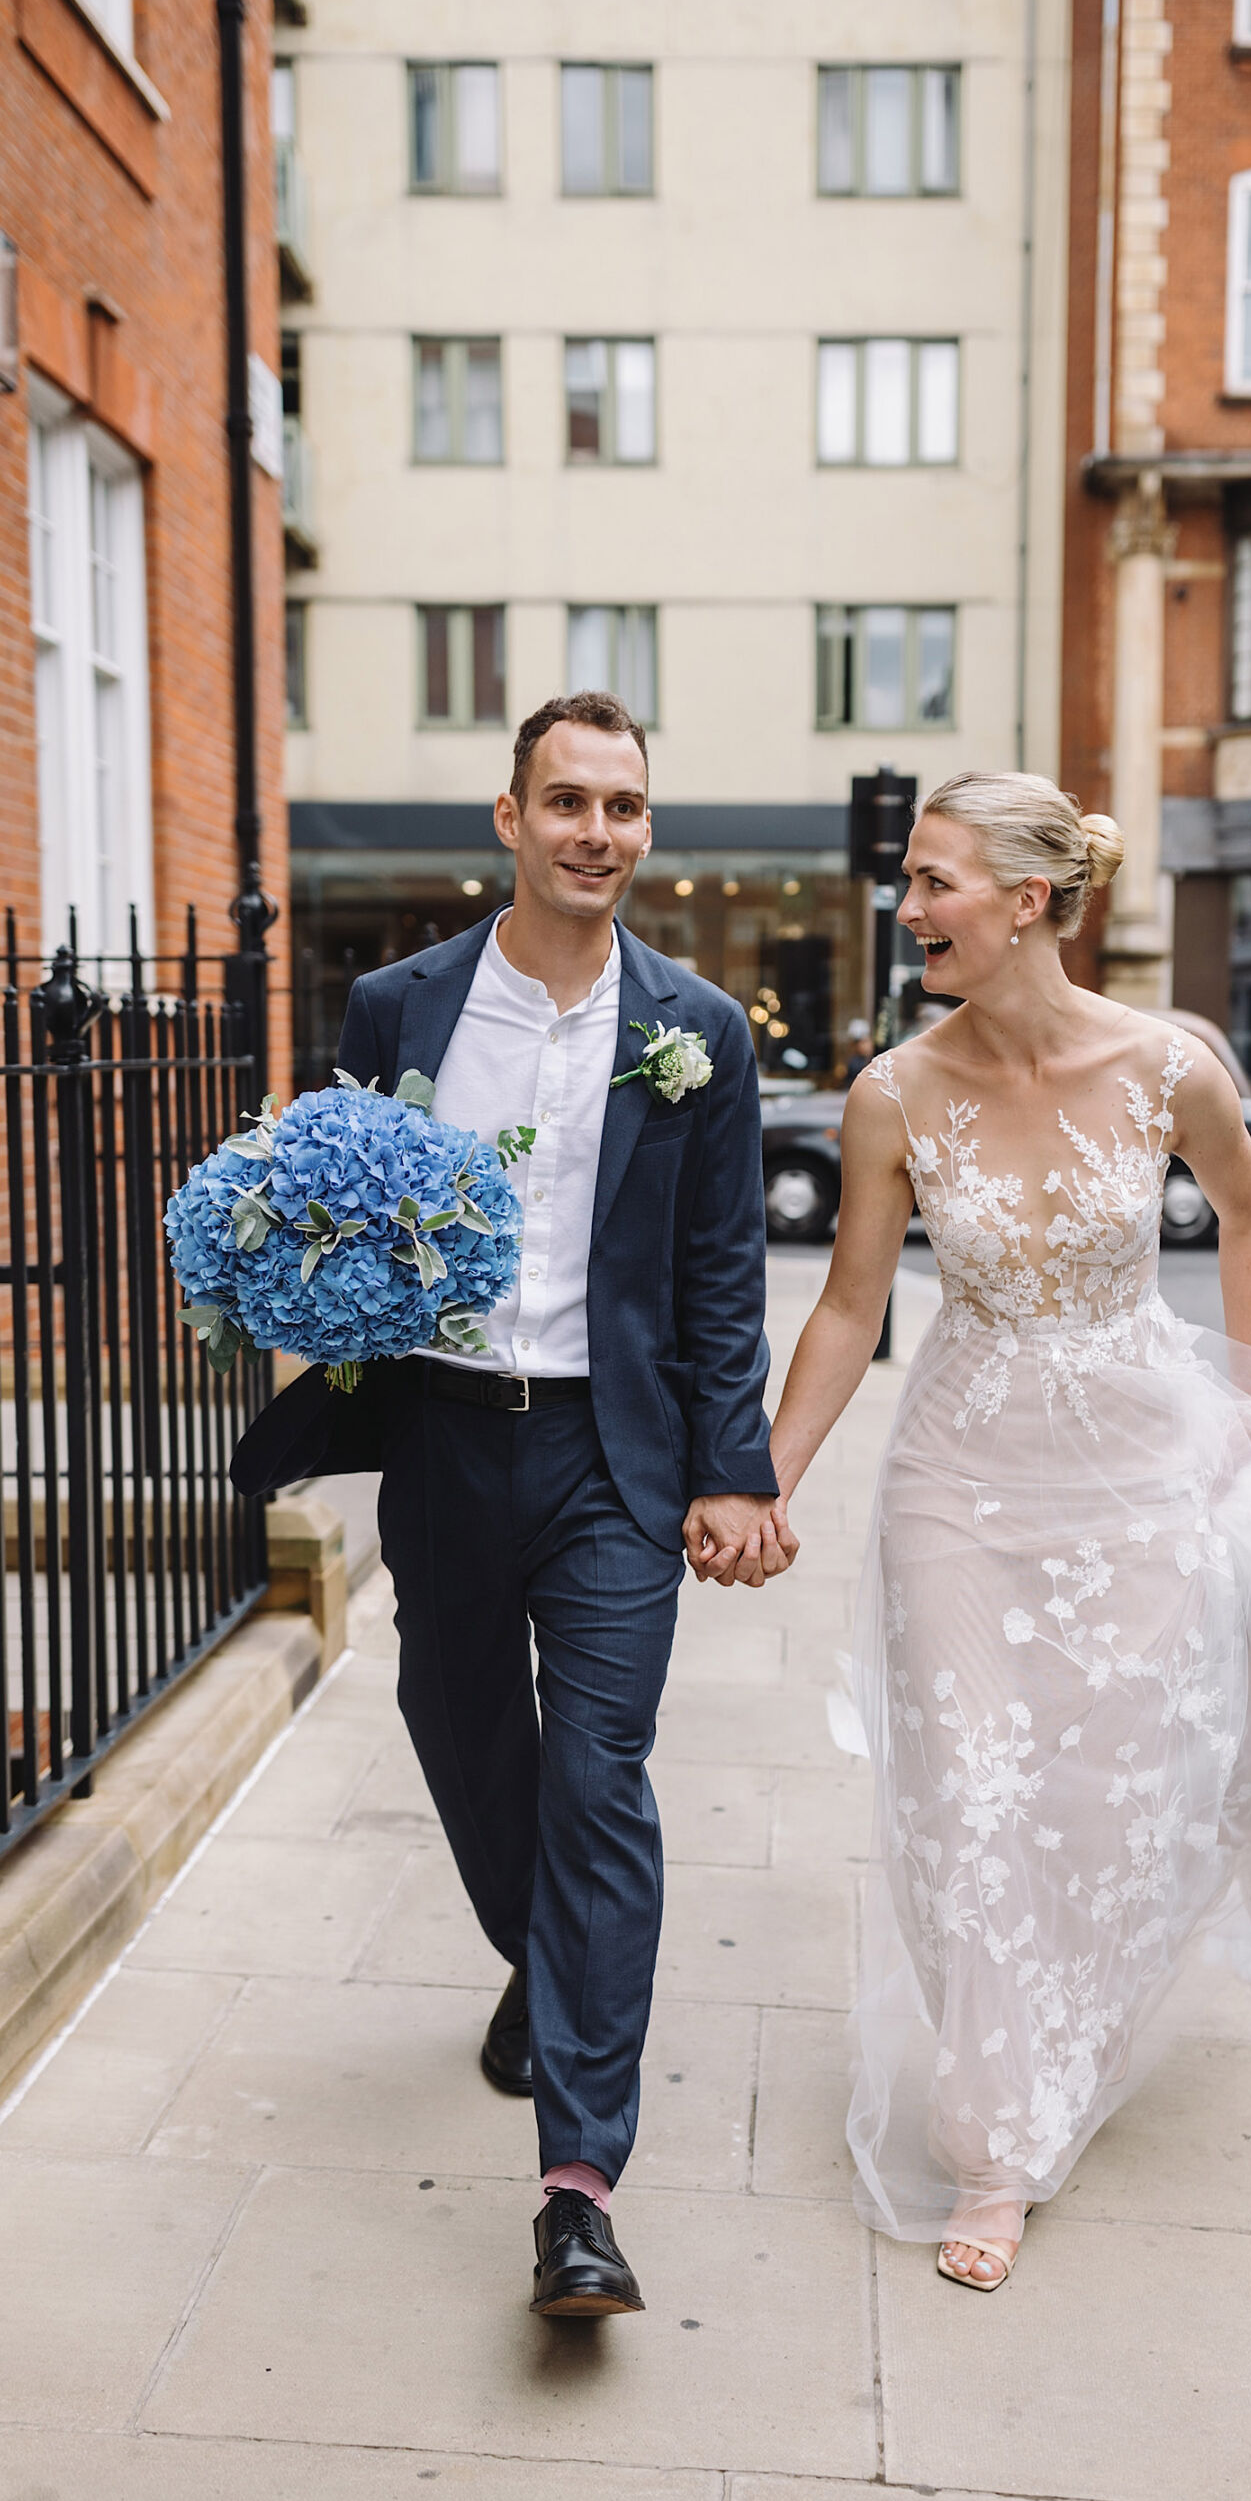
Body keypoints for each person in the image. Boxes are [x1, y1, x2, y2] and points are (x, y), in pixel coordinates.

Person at [748, 772, 1251, 2291]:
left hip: (1137, 1479)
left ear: (1027, 900)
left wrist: (1241, 1406)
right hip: (957, 1482)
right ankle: (996, 2143)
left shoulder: (1170, 1067)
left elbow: (1241, 1220)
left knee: (1111, 1801)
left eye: (935, 883)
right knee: (969, 1793)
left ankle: (1065, 2035)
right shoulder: (892, 1093)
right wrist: (770, 1475)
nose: (911, 913)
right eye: (910, 882)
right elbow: (848, 1303)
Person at [334, 692, 789, 2318]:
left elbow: (722, 1274)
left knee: (601, 1782)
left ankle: (578, 2186)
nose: (601, 831)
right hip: (450, 1441)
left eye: (627, 806)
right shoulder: (399, 1007)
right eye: (570, 801)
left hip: (614, 1458)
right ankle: (550, 1963)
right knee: (465, 1738)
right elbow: (344, 1218)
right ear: (509, 821)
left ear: (645, 830)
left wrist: (735, 1468)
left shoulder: (700, 1032)